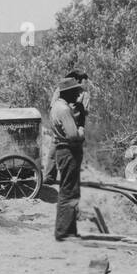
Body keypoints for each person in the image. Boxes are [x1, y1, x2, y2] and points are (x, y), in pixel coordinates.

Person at [49, 76, 87, 241]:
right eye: (76, 92)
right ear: (69, 93)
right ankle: (64, 233)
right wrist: (81, 127)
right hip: (69, 151)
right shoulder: (64, 110)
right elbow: (73, 136)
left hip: (63, 150)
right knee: (68, 192)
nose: (78, 95)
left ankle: (67, 231)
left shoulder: (57, 106)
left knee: (69, 191)